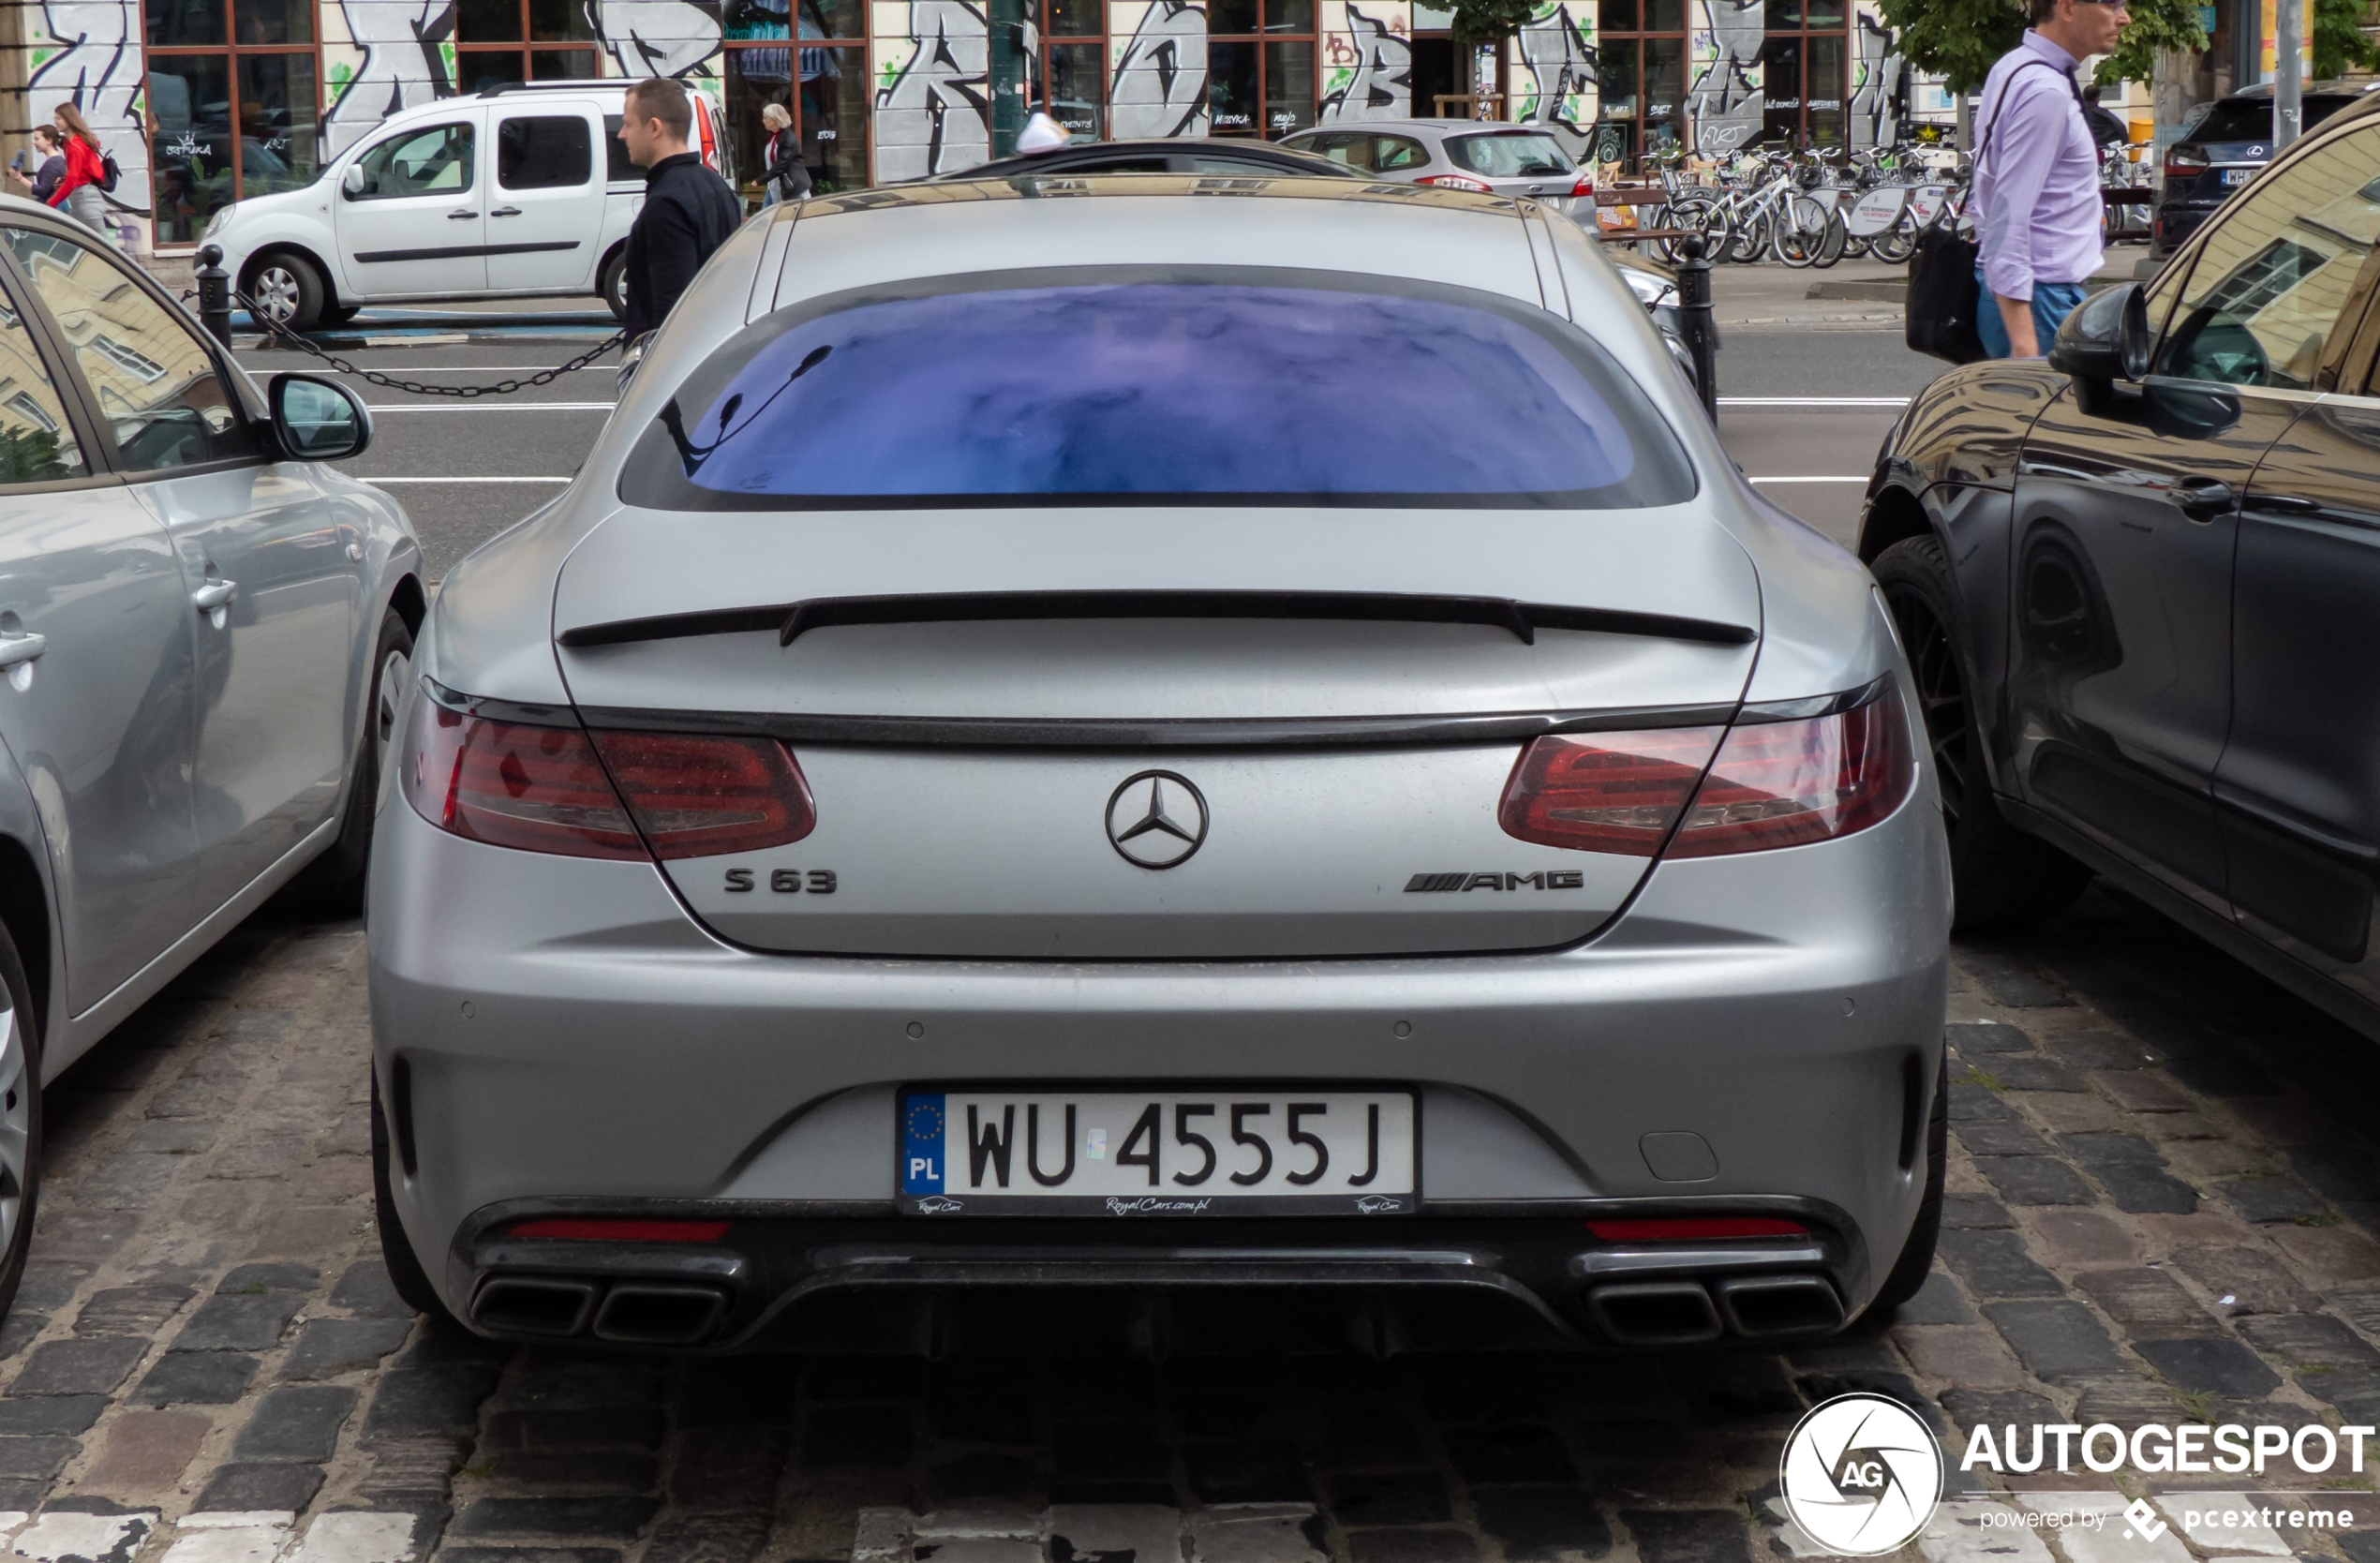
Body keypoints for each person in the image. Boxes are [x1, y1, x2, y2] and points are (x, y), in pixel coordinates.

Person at [1970, 0, 2131, 359]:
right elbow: (2006, 211)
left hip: (2031, 291)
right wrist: (2023, 341)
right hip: (2038, 297)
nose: (2125, 17)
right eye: (2112, 4)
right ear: (2069, 8)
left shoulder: (2015, 67)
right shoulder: (2046, 92)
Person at [616, 77, 743, 340]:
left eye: (628, 124)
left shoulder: (666, 202)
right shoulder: (716, 186)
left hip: (676, 367)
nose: (621, 134)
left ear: (654, 127)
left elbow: (672, 312)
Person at [47, 103, 110, 233]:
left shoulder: (75, 147)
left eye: (58, 118)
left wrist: (51, 203)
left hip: (84, 199)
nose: (55, 121)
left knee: (104, 248)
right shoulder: (75, 143)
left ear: (69, 119)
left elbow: (72, 179)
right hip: (83, 198)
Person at [759, 102, 811, 206]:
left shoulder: (788, 138)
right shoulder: (772, 137)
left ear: (775, 120)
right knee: (767, 218)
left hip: (792, 188)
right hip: (774, 187)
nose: (763, 121)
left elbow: (782, 163)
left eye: (765, 118)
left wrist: (760, 180)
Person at [7, 128, 64, 206]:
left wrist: (20, 178)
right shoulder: (56, 160)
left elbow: (42, 191)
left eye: (37, 139)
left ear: (49, 141)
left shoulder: (53, 162)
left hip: (52, 207)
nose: (34, 142)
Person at [2081, 82, 2130, 150]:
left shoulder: (2077, 112)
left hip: (2081, 148)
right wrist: (2125, 143)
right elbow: (2120, 126)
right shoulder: (2102, 113)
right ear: (2097, 98)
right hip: (2100, 149)